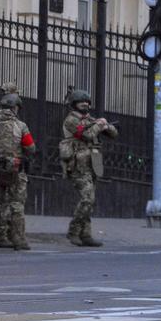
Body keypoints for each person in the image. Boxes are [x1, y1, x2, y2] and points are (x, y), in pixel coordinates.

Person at [60, 88, 118, 247]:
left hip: (93, 163)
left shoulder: (90, 119)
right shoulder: (71, 120)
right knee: (87, 199)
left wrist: (106, 125)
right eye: (81, 102)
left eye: (87, 102)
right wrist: (99, 125)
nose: (85, 104)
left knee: (90, 201)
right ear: (74, 104)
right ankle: (73, 231)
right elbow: (86, 135)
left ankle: (85, 234)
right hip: (78, 165)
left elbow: (114, 134)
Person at [0, 93, 35, 251]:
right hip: (15, 170)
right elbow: (31, 148)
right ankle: (18, 240)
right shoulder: (21, 126)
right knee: (16, 204)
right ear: (15, 108)